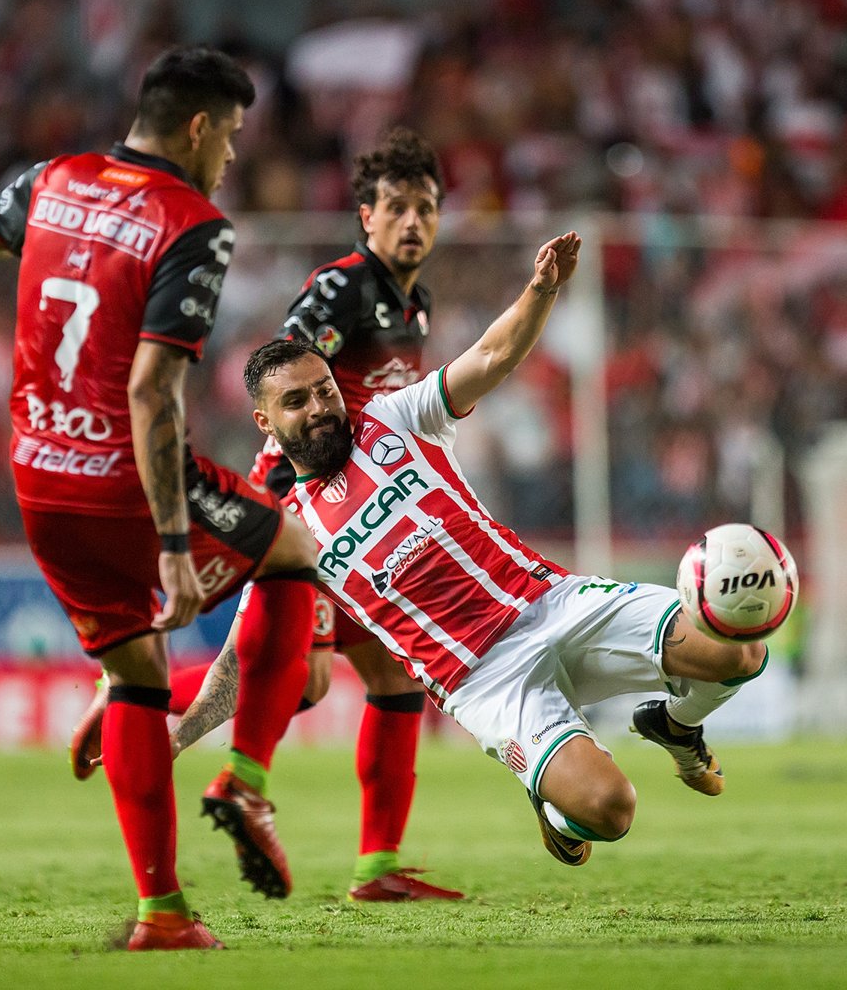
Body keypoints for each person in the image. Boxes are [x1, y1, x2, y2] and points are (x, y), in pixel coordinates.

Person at [179, 230, 771, 870]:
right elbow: (249, 655)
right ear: (265, 422)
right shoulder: (287, 531)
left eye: (323, 389)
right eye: (296, 402)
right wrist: (179, 733)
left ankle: (677, 726)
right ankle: (551, 801)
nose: (320, 408)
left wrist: (540, 291)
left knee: (741, 649)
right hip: (485, 678)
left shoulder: (394, 418)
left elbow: (490, 356)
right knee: (611, 810)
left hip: (551, 601)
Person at [0, 46, 319, 951]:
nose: (230, 156)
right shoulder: (193, 222)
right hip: (126, 476)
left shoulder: (54, 178)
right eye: (229, 137)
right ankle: (243, 779)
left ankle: (162, 915)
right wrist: (168, 541)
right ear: (197, 128)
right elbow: (152, 390)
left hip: (38, 474)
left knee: (135, 674)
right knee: (300, 555)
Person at [71, 127, 464, 902]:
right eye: (396, 208)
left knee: (385, 678)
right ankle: (139, 697)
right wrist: (285, 498)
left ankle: (378, 868)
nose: (413, 222)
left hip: (361, 514)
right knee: (302, 679)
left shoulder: (414, 307)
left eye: (426, 207)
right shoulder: (342, 288)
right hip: (308, 504)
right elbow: (285, 371)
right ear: (366, 216)